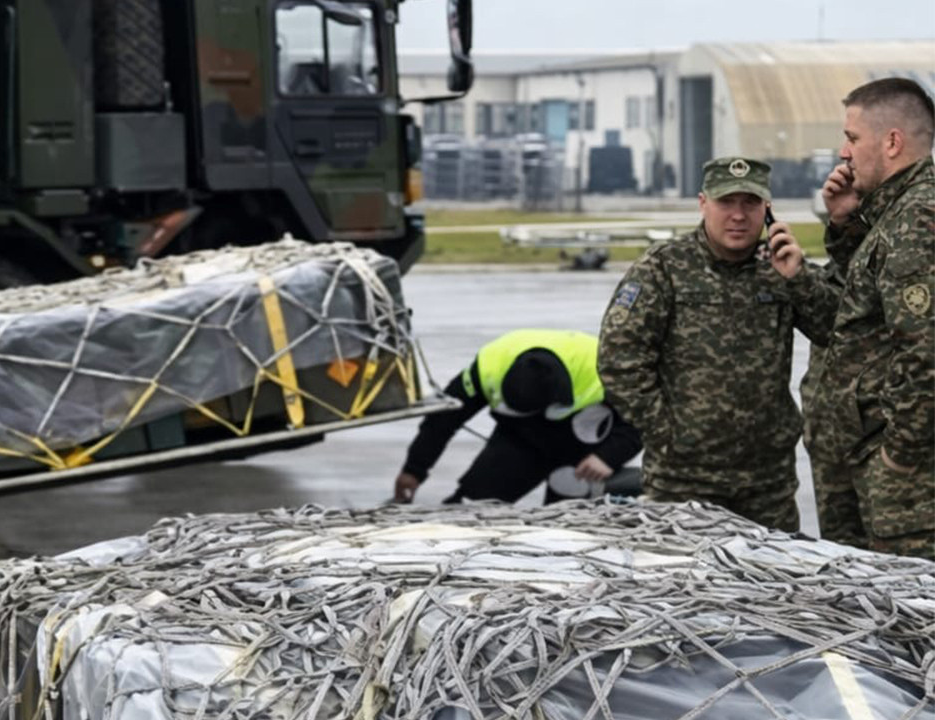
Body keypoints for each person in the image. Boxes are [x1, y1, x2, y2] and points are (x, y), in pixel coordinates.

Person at [597, 157, 830, 532]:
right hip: (684, 478)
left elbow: (836, 330)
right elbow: (619, 360)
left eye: (750, 204)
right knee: (683, 582)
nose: (738, 215)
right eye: (726, 203)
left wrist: (799, 280)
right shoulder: (664, 269)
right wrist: (669, 433)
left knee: (773, 583)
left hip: (766, 479)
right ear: (703, 203)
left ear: (767, 209)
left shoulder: (781, 267)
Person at [804, 77, 934, 559]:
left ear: (893, 141)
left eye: (853, 138)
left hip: (911, 482)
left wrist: (898, 457)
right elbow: (874, 300)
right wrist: (846, 223)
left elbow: (925, 352)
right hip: (881, 462)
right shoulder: (896, 212)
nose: (844, 152)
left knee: (912, 619)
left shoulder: (919, 217)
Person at [392, 329, 642, 505]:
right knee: (472, 508)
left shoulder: (606, 367)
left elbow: (648, 418)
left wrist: (609, 456)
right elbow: (442, 421)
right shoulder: (489, 367)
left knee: (569, 528)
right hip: (522, 440)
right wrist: (414, 470)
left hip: (584, 456)